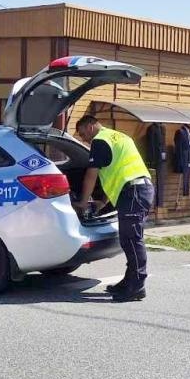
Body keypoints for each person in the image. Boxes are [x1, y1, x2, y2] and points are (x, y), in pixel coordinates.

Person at [73, 114, 154, 302]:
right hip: (136, 189)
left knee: (133, 239)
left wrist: (83, 203)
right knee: (128, 239)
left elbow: (91, 175)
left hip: (134, 191)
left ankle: (137, 286)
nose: (83, 139)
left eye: (83, 133)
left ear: (91, 126)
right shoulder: (118, 136)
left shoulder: (100, 141)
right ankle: (129, 281)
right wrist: (102, 202)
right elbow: (119, 171)